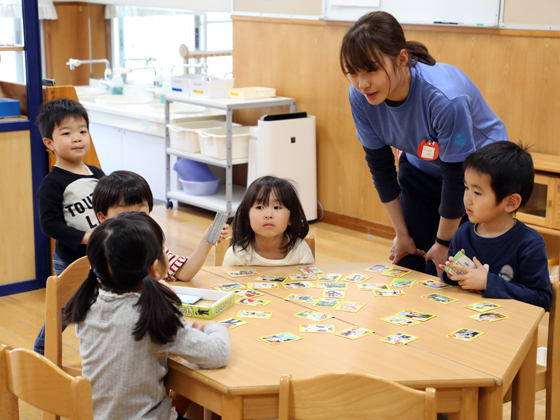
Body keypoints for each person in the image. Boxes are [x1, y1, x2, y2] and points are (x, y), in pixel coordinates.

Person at [340, 11, 508, 275]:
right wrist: (401, 234)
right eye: (352, 72)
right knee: (408, 263)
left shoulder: (444, 99)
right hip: (422, 167)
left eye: (371, 70)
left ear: (402, 59)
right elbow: (380, 167)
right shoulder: (360, 96)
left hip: (479, 177)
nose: (362, 83)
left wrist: (443, 243)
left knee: (452, 272)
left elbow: (456, 179)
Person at [62, 212, 231, 420]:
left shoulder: (87, 304)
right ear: (155, 266)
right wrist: (213, 328)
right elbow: (218, 353)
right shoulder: (153, 316)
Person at [440, 142, 552, 311]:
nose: (467, 199)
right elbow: (454, 284)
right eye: (466, 187)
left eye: (477, 192)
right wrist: (450, 274)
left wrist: (488, 282)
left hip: (509, 329)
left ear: (510, 202)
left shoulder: (530, 243)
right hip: (464, 321)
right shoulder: (463, 233)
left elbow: (541, 299)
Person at [34, 98, 105, 354]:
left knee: (103, 304)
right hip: (72, 259)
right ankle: (42, 352)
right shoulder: (52, 184)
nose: (77, 138)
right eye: (67, 133)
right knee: (66, 309)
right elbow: (49, 225)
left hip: (102, 255)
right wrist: (87, 237)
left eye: (82, 131)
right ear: (49, 143)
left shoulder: (97, 174)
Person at [93, 170, 229, 281]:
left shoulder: (151, 246)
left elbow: (184, 273)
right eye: (124, 214)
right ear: (103, 218)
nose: (134, 221)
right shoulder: (103, 252)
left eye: (141, 213)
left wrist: (206, 242)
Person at [222, 176, 314, 266]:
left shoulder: (300, 250)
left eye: (277, 207)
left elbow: (310, 279)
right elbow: (226, 280)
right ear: (247, 218)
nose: (268, 215)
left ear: (291, 218)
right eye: (259, 207)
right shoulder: (238, 254)